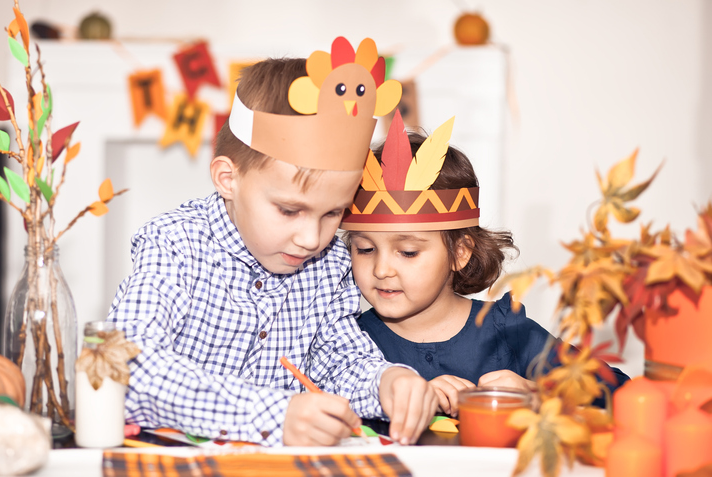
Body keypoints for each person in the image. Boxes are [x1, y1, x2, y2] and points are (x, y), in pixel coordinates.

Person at [107, 38, 437, 447]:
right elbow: (124, 367)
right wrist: (273, 415)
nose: (312, 238)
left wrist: (387, 381)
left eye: (333, 213)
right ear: (229, 179)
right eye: (289, 210)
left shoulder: (330, 262)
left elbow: (341, 359)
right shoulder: (174, 244)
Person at [340, 112, 629, 417]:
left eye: (408, 252)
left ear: (460, 253)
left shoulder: (507, 332)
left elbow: (622, 393)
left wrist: (537, 395)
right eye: (365, 249)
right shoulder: (347, 342)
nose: (381, 269)